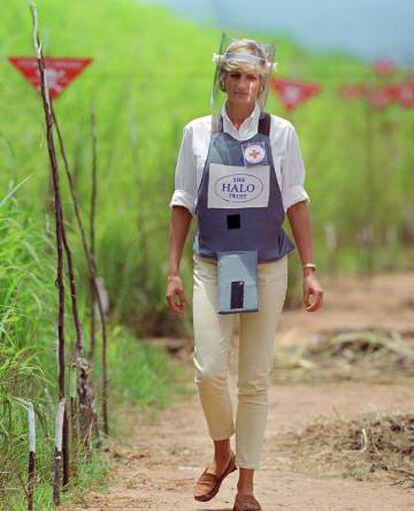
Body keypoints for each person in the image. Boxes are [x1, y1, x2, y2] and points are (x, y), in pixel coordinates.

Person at [166, 37, 324, 511]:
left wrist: (310, 269)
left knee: (254, 378)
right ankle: (222, 453)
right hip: (213, 263)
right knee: (209, 370)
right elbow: (182, 201)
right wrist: (172, 270)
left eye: (250, 76)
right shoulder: (196, 132)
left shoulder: (281, 134)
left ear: (262, 82)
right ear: (222, 79)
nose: (241, 84)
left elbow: (296, 200)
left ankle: (247, 487)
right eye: (233, 75)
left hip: (266, 263)